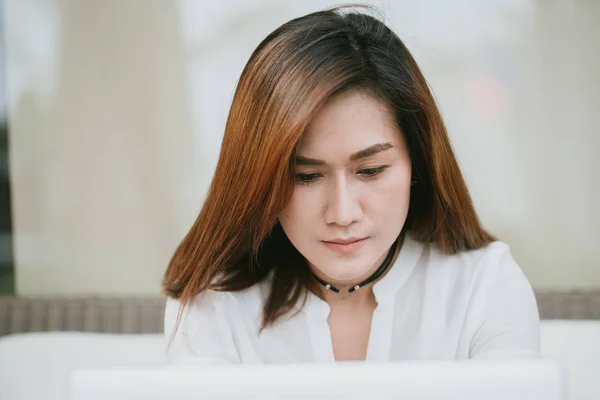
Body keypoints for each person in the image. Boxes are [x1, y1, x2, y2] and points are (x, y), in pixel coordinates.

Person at [163, 5, 540, 364]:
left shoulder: (483, 287)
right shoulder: (215, 303)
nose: (343, 214)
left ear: (418, 162)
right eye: (306, 176)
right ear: (260, 178)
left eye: (371, 170)